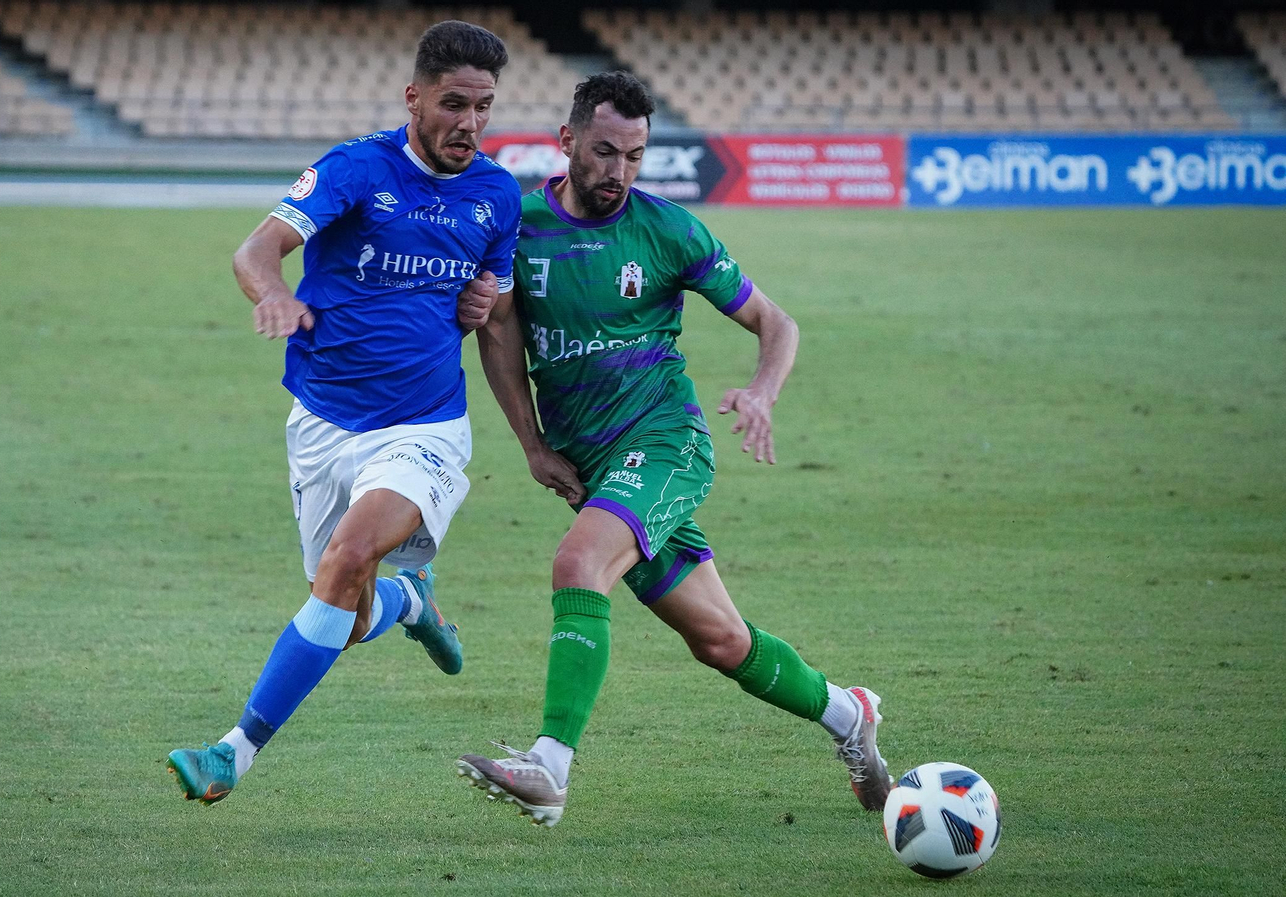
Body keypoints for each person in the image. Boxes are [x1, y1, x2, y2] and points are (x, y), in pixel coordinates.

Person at [457, 72, 891, 827]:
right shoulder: (521, 227)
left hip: (665, 445)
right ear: (565, 144)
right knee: (723, 641)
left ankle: (549, 766)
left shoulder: (668, 231)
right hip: (597, 469)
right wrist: (530, 445)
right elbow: (499, 332)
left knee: (577, 563)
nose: (618, 172)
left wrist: (761, 391)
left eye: (634, 155)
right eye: (603, 152)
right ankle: (851, 717)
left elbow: (775, 323)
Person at [167, 20, 521, 805]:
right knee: (348, 604)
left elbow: (489, 305)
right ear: (415, 97)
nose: (469, 123)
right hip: (324, 424)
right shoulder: (356, 168)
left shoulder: (498, 194)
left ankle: (232, 752)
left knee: (351, 551)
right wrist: (277, 295)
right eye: (454, 103)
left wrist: (483, 303)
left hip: (423, 424)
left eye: (484, 107)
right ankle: (410, 600)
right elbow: (254, 252)